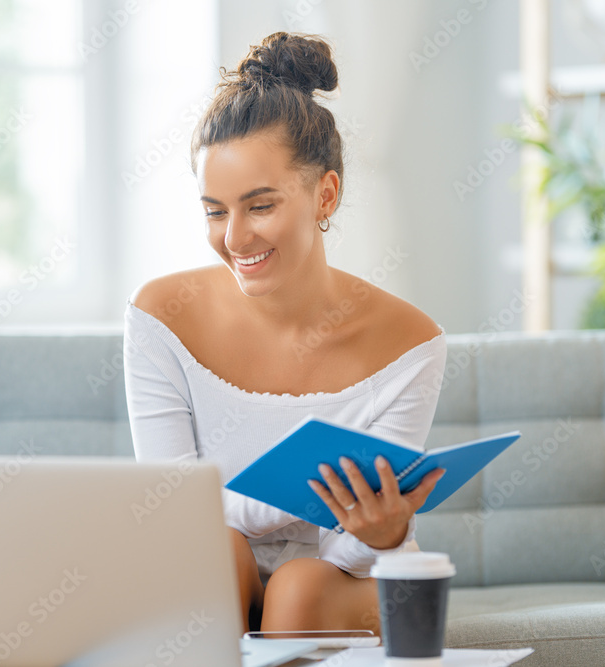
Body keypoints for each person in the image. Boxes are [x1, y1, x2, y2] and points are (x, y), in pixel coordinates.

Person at [122, 31, 448, 636]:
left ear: (325, 194)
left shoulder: (409, 341)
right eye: (215, 211)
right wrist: (297, 498)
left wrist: (384, 530)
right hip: (212, 567)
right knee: (210, 550)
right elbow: (174, 518)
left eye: (260, 206)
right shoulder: (160, 314)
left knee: (298, 589)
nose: (236, 238)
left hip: (348, 576)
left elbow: (353, 553)